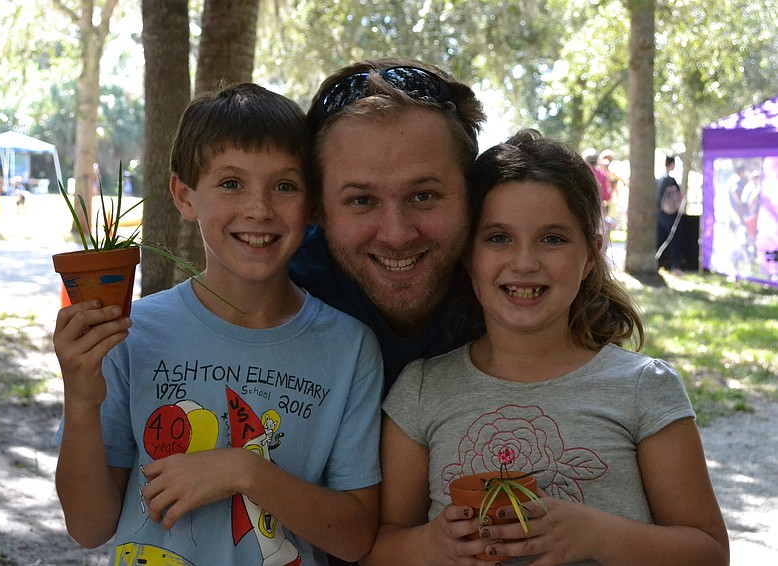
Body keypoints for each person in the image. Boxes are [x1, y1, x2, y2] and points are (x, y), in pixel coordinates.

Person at [52, 83, 383, 565]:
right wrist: (81, 398)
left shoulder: (349, 348)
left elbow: (355, 537)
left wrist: (244, 470)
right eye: (231, 183)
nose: (259, 208)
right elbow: (87, 527)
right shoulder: (132, 333)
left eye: (284, 186)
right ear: (184, 196)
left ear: (312, 206)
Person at [366, 130, 729, 565]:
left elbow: (709, 552)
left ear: (591, 254)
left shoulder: (643, 390)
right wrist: (430, 546)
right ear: (468, 255)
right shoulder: (423, 390)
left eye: (553, 238)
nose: (524, 262)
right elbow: (378, 550)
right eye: (498, 237)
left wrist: (596, 535)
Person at [290, 58, 488, 389]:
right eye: (362, 201)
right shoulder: (280, 291)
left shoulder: (520, 283)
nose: (397, 235)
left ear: (472, 194)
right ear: (317, 210)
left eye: (423, 196)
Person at [655, 155, 684, 274]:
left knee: (660, 239)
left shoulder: (659, 179)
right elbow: (678, 198)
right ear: (672, 164)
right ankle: (675, 267)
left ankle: (657, 262)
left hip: (659, 215)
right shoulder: (671, 180)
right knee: (674, 240)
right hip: (669, 215)